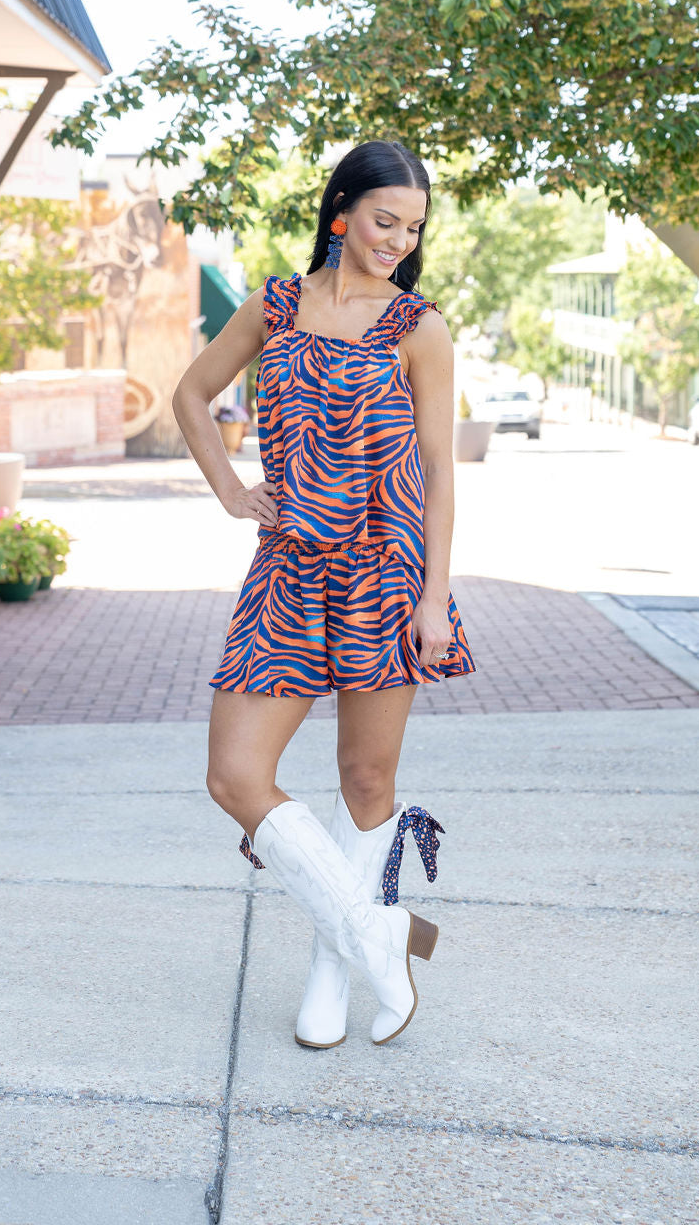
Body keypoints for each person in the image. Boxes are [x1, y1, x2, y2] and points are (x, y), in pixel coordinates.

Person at [172, 138, 476, 1048]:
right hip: (289, 572)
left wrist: (434, 595)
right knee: (235, 776)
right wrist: (232, 489)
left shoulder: (418, 327)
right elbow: (191, 394)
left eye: (414, 227)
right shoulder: (275, 305)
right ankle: (381, 936)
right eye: (385, 220)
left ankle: (332, 975)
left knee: (365, 779)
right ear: (340, 212)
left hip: (389, 574)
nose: (398, 239)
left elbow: (439, 469)